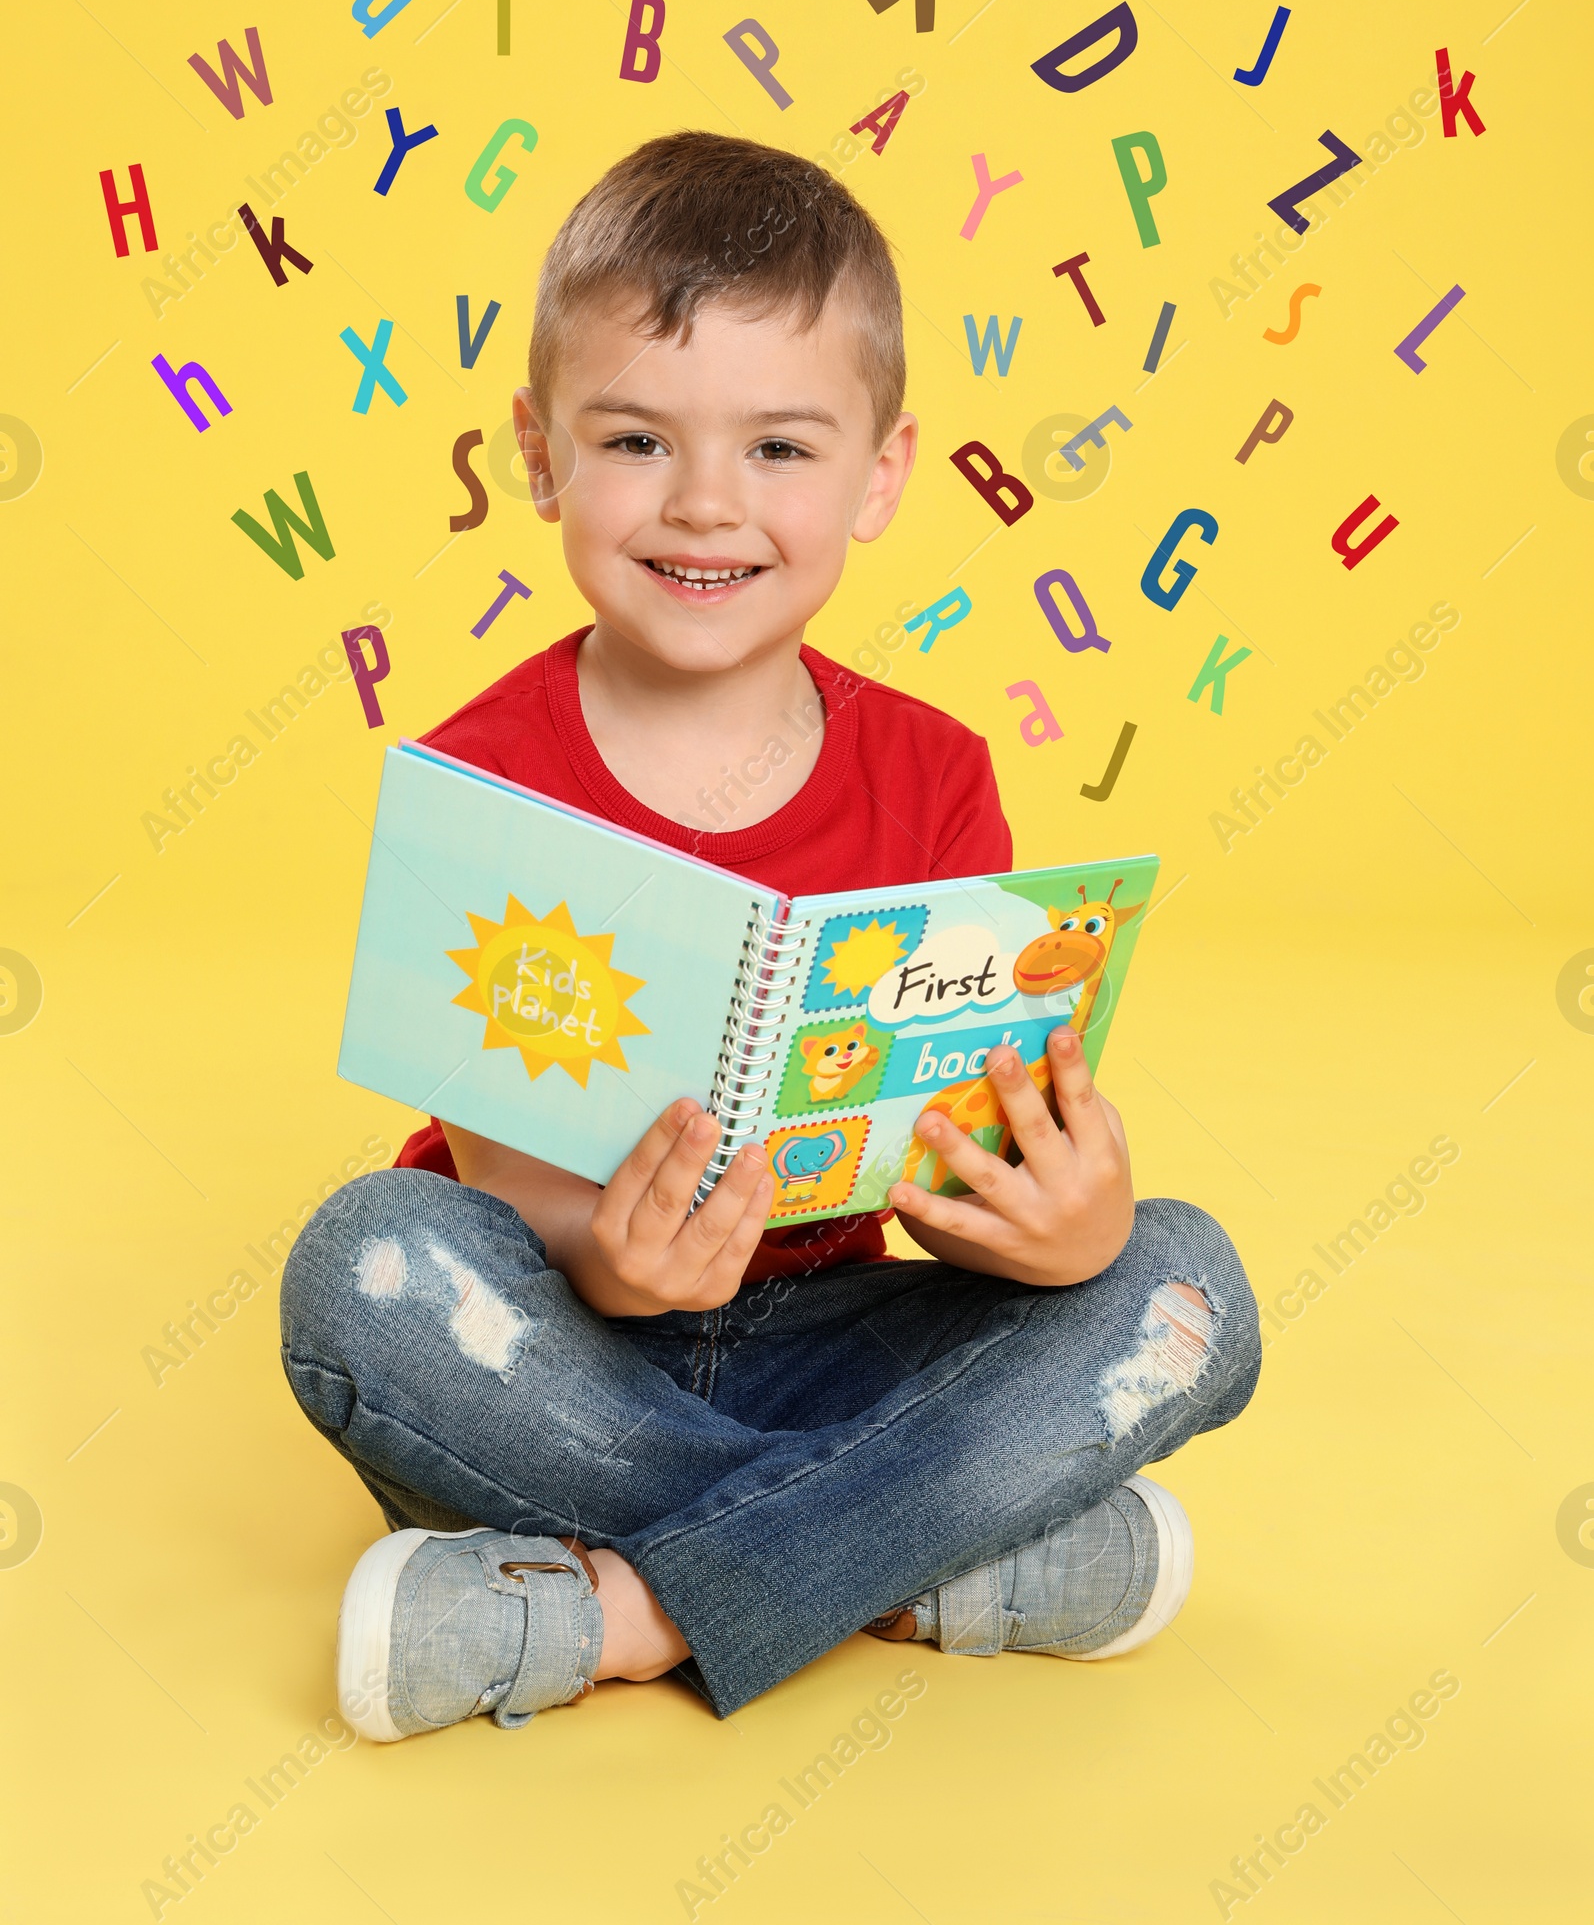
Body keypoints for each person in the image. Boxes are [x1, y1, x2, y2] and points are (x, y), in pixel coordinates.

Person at [280, 131, 1259, 1740]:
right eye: (637, 441)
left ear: (881, 473)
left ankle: (619, 1610)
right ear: (539, 453)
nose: (708, 505)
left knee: (1182, 1288)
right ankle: (916, 1558)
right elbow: (511, 1190)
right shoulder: (476, 783)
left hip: (836, 1341)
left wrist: (1062, 1234)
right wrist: (616, 1260)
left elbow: (956, 1175)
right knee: (363, 1266)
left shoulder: (939, 778)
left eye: (783, 450)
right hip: (550, 1361)